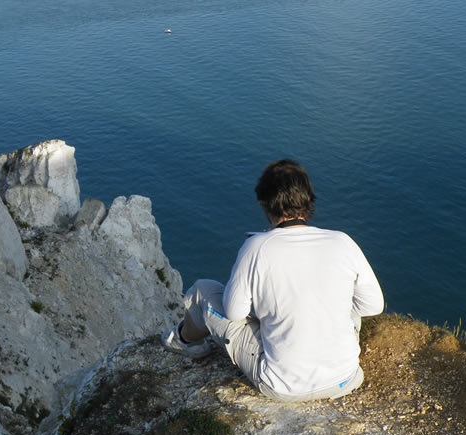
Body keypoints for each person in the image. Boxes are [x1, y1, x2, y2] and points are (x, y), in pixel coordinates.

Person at [161, 159, 384, 402]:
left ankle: (183, 342)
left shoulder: (256, 247)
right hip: (345, 378)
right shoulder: (342, 242)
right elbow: (373, 306)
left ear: (264, 204)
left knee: (202, 291)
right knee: (347, 301)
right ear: (309, 201)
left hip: (282, 385)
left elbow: (235, 313)